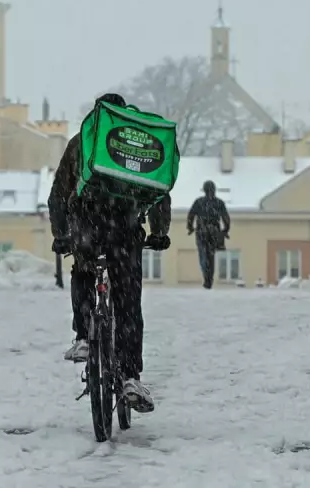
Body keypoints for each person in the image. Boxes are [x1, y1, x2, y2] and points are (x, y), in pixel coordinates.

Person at [48, 93, 172, 414]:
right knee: (128, 300)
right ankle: (131, 376)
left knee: (84, 271)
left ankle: (85, 337)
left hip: (88, 225)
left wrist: (61, 235)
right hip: (125, 229)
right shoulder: (141, 146)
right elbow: (158, 193)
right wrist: (159, 232)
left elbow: (58, 195)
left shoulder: (82, 144)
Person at [186, 180, 230, 289]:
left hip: (202, 231)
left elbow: (191, 216)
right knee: (211, 256)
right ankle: (209, 279)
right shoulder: (219, 203)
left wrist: (190, 227)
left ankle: (206, 277)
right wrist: (225, 230)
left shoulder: (199, 202)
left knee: (203, 254)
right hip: (214, 232)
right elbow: (226, 218)